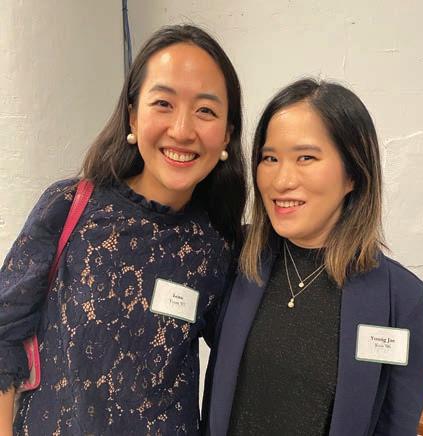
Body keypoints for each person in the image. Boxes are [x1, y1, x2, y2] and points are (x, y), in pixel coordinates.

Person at [0, 24, 246, 435]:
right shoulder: (70, 206)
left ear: (227, 135)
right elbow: (4, 335)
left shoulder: (218, 247)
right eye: (163, 103)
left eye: (205, 110)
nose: (182, 130)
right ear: (133, 115)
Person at [202, 78, 423, 436]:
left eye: (306, 158)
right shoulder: (236, 258)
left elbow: (395, 426)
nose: (281, 180)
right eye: (270, 158)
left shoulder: (401, 299)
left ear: (353, 173)